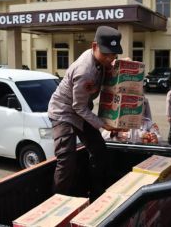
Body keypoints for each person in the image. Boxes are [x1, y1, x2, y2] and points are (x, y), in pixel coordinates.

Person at [47, 26, 125, 201]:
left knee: (99, 150)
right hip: (64, 112)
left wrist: (123, 66)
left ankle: (96, 194)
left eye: (114, 54)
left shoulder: (102, 60)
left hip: (81, 112)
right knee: (67, 160)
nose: (110, 58)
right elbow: (78, 107)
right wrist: (102, 124)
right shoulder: (85, 71)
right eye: (106, 54)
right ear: (94, 46)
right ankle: (55, 203)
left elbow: (112, 69)